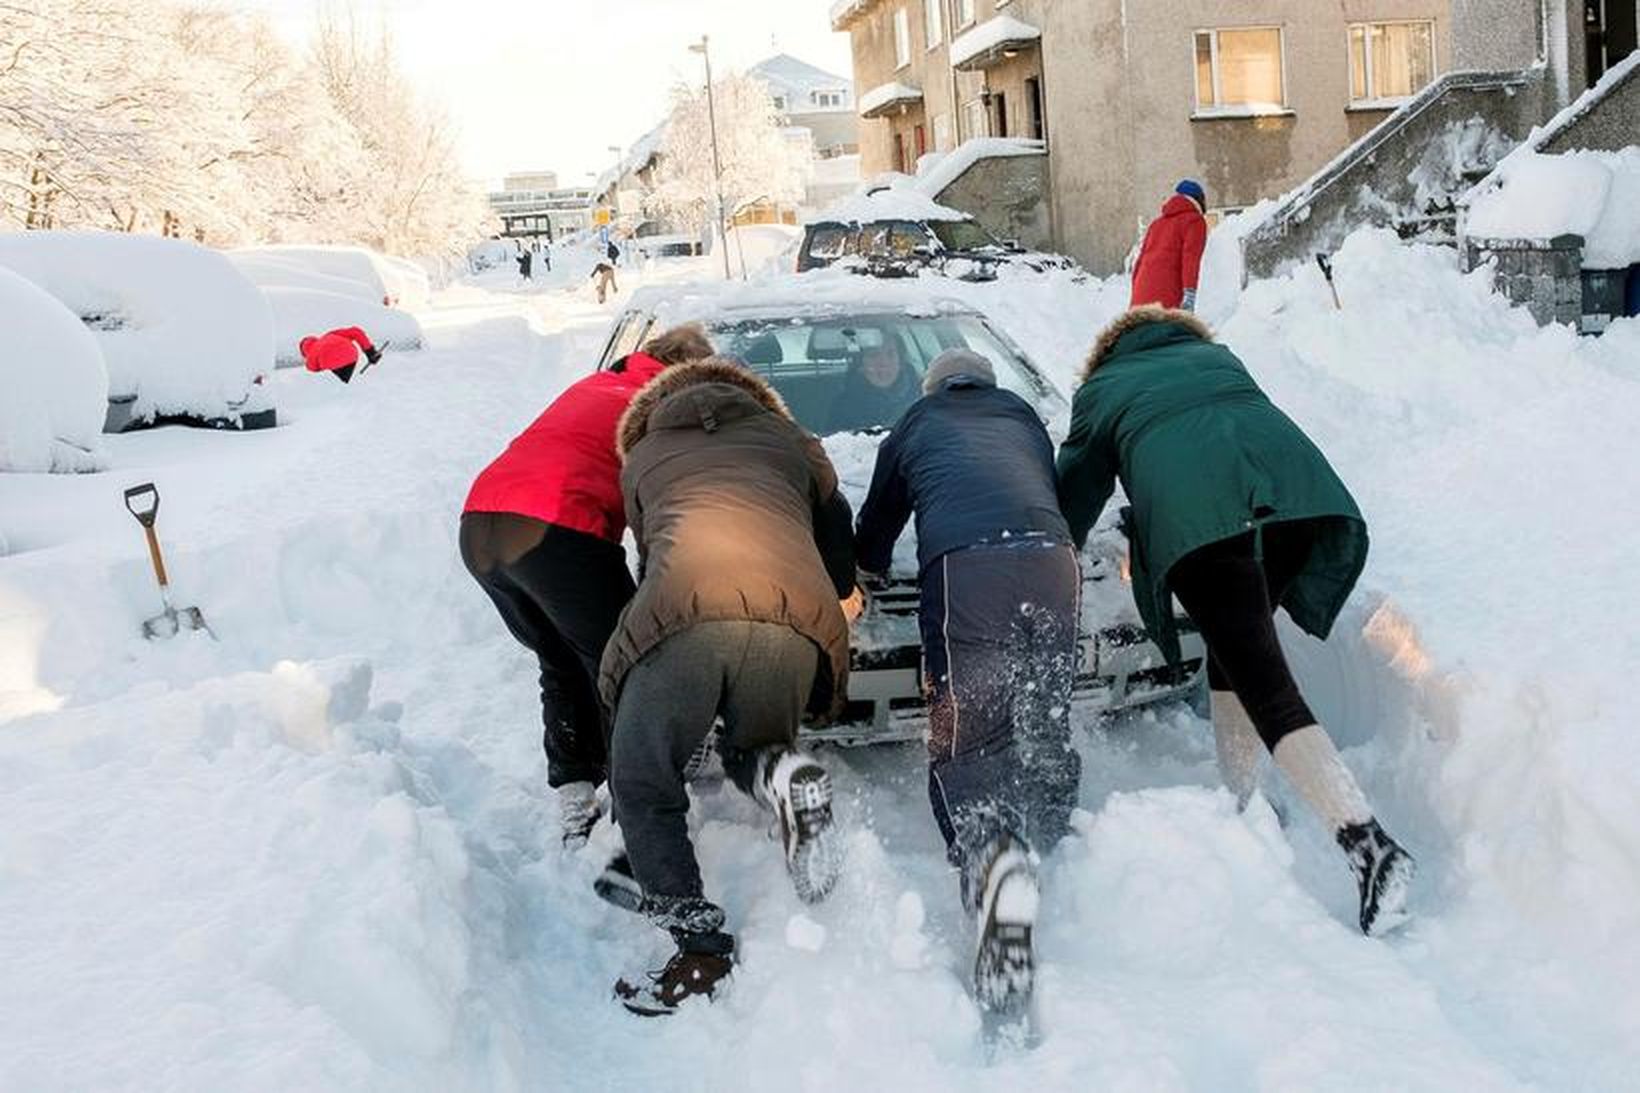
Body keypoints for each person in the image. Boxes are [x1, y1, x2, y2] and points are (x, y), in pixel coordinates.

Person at [1055, 306, 1415, 937]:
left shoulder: (1103, 389)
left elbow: (1075, 494)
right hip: (1293, 509)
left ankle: (1370, 847)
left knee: (1265, 684)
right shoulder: (1217, 359)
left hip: (1204, 527)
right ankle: (1245, 803)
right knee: (1232, 657)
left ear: (1106, 352)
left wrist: (1058, 549)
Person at [600, 357, 857, 1016]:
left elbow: (648, 555)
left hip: (683, 608)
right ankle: (785, 774)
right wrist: (835, 587)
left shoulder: (645, 455)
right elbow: (836, 524)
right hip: (793, 615)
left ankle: (700, 944)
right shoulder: (790, 440)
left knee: (643, 775)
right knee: (756, 744)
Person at [853, 348, 1078, 1016]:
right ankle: (1051, 837)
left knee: (970, 728)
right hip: (1051, 559)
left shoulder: (916, 422)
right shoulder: (1022, 414)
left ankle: (997, 864)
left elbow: (878, 522)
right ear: (987, 382)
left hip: (968, 568)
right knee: (1042, 704)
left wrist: (864, 566)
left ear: (933, 386)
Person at [459, 324, 716, 849]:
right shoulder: (661, 407)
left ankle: (575, 796)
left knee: (563, 659)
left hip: (481, 525)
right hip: (554, 532)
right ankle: (639, 815)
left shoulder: (596, 386)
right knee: (627, 668)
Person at [1130, 180, 1208, 312]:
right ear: (1199, 200)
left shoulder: (1156, 224)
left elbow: (1139, 263)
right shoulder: (1195, 221)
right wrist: (1189, 294)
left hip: (1139, 297)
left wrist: (1137, 293)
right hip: (1166, 297)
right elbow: (1190, 259)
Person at [826, 332, 922, 433]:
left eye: (891, 354)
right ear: (860, 365)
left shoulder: (923, 396)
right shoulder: (843, 408)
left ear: (901, 361)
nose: (884, 363)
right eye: (873, 355)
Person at [299, 326, 381, 384]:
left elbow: (314, 376)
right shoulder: (330, 335)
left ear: (304, 353)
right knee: (346, 381)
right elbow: (355, 331)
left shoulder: (310, 357)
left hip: (330, 363)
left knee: (340, 385)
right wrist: (370, 352)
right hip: (351, 354)